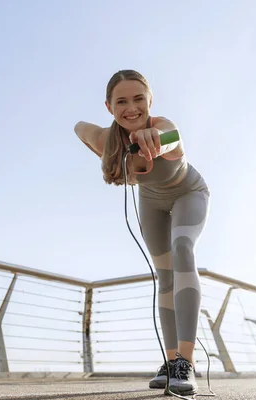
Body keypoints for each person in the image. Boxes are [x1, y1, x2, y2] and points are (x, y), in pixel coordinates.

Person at [74, 69, 210, 396]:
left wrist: (155, 140)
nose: (131, 107)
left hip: (188, 193)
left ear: (150, 101)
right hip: (151, 203)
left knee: (182, 249)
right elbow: (80, 127)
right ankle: (170, 361)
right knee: (164, 277)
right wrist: (106, 149)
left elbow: (172, 138)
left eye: (138, 99)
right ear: (109, 107)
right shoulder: (109, 140)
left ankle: (186, 363)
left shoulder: (165, 128)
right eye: (121, 101)